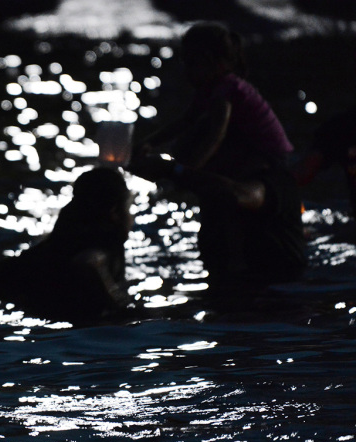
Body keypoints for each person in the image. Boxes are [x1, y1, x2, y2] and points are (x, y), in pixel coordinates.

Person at [129, 21, 306, 286]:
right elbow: (185, 121)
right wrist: (148, 143)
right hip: (251, 165)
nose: (186, 72)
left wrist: (185, 170)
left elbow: (216, 134)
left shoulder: (227, 90)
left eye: (190, 64)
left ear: (210, 61)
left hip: (270, 158)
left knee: (235, 205)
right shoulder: (209, 90)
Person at [0, 167, 132, 322]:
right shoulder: (98, 250)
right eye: (128, 207)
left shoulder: (66, 240)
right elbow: (88, 262)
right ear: (115, 212)